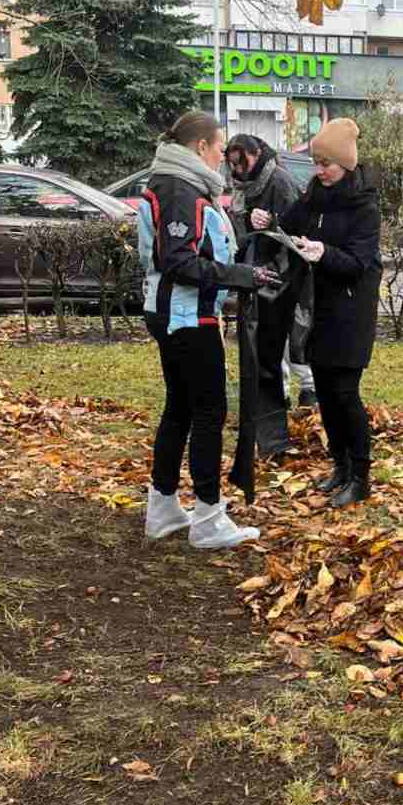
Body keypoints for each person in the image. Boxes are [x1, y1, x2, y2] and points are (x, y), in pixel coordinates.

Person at [139, 111, 277, 549]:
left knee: (180, 407)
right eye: (220, 148)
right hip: (187, 318)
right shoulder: (180, 188)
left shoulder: (176, 182)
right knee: (207, 411)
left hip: (174, 313)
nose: (223, 156)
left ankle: (162, 508)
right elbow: (178, 260)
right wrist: (241, 275)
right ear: (201, 147)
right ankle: (208, 517)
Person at [251, 118, 381, 508]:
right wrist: (267, 221)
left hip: (351, 312)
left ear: (346, 163)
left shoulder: (365, 204)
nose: (320, 170)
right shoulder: (313, 195)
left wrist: (324, 253)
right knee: (324, 392)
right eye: (317, 162)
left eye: (327, 163)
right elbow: (289, 226)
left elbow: (359, 262)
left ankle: (361, 476)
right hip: (318, 308)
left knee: (345, 393)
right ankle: (339, 466)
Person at [226, 133, 302, 456]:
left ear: (257, 154)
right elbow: (239, 231)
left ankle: (273, 439)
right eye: (233, 166)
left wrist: (271, 221)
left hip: (279, 281)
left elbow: (299, 231)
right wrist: (247, 219)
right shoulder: (243, 189)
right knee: (260, 360)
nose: (240, 172)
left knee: (270, 358)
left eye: (244, 163)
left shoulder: (280, 182)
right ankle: (267, 436)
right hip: (255, 279)